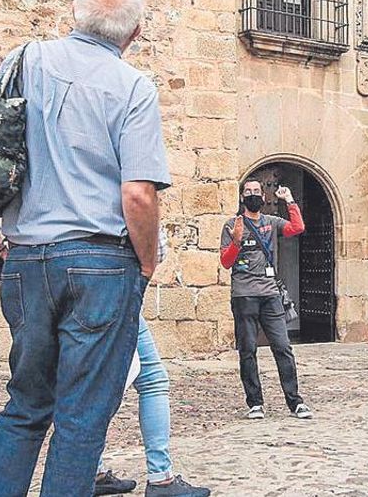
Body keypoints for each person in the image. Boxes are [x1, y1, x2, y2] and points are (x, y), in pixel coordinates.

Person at [0, 0, 170, 496]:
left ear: (74, 14)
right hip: (101, 262)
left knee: (25, 405)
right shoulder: (133, 88)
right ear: (135, 33)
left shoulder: (23, 61)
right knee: (81, 419)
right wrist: (147, 263)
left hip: (28, 258)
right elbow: (137, 194)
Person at [93, 233, 211, 497]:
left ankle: (94, 469)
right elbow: (154, 245)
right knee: (148, 382)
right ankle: (161, 478)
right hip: (111, 283)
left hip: (52, 274)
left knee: (85, 380)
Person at [220, 181, 311, 421]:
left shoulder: (271, 222)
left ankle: (295, 401)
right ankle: (255, 403)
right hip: (243, 296)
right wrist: (237, 241)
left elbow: (297, 227)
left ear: (263, 195)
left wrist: (289, 200)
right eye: (248, 192)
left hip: (270, 295)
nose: (252, 195)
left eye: (256, 192)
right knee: (248, 350)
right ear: (242, 196)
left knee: (283, 347)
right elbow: (226, 262)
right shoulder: (232, 225)